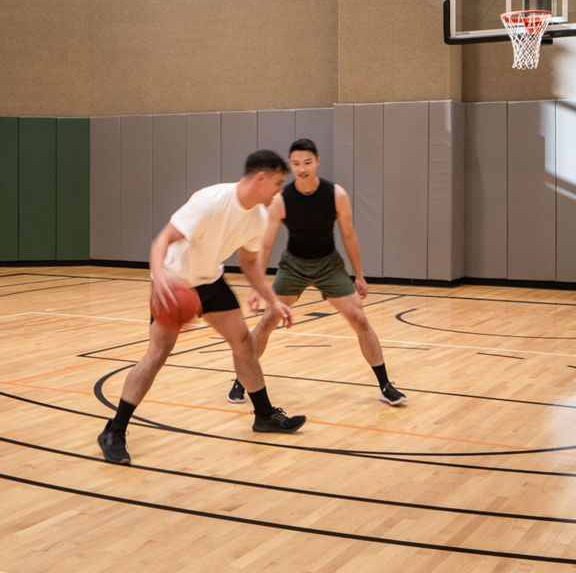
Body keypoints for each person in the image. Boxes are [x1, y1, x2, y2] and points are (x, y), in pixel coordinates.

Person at [98, 149, 306, 465]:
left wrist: (272, 299)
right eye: (278, 183)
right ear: (260, 178)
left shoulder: (259, 217)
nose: (280, 190)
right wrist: (159, 282)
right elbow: (161, 242)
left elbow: (249, 263)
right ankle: (115, 430)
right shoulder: (210, 201)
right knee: (157, 355)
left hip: (209, 280)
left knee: (244, 344)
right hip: (175, 281)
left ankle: (264, 415)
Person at [227, 138, 406, 407]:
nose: (302, 169)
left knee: (359, 319)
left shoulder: (336, 195)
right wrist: (257, 283)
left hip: (328, 265)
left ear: (317, 162)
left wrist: (359, 274)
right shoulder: (281, 199)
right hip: (293, 265)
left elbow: (348, 235)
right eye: (296, 164)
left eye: (307, 162)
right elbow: (265, 244)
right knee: (267, 322)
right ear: (290, 165)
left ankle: (385, 385)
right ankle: (242, 380)